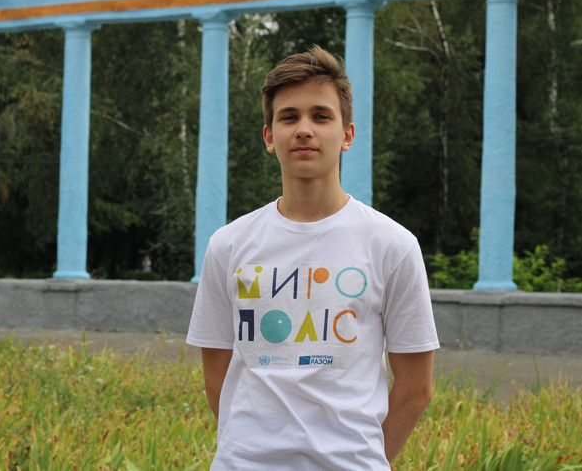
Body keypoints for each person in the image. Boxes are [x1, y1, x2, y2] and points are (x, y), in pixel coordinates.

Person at [186, 45, 439, 470]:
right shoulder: (228, 245)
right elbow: (217, 380)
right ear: (270, 137)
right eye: (289, 117)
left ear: (347, 135)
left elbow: (416, 390)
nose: (304, 129)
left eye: (321, 116)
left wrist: (361, 459)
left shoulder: (392, 245)